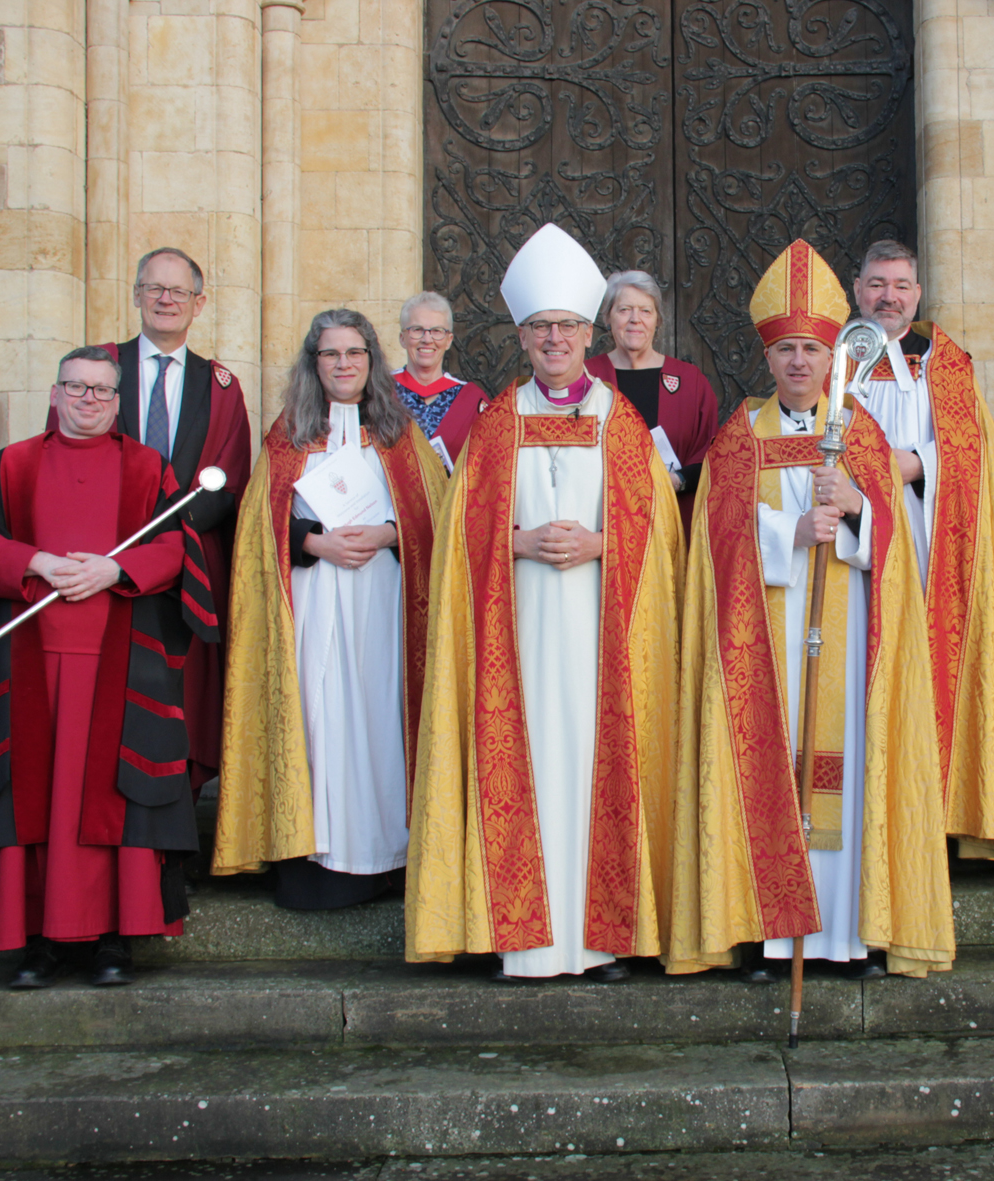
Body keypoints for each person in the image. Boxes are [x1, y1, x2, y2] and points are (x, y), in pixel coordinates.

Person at [666, 238, 952, 982]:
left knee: (843, 773)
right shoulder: (739, 438)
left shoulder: (861, 434)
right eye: (787, 349)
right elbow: (717, 542)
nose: (799, 362)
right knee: (767, 769)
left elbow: (894, 546)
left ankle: (848, 934)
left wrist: (859, 511)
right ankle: (768, 935)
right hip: (763, 638)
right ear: (768, 359)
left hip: (846, 631)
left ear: (833, 359)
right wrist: (789, 532)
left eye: (810, 350)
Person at [405, 223, 683, 982]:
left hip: (603, 635)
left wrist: (604, 545)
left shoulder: (622, 424)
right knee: (523, 762)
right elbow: (460, 538)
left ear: (586, 334)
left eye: (565, 326)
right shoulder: (496, 424)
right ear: (522, 336)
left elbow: (662, 539)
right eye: (539, 328)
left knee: (597, 767)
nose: (553, 339)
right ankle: (520, 937)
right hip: (518, 633)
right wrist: (517, 543)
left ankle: (606, 939)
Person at [0, 346, 216, 988]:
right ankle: (36, 944)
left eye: (101, 390)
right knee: (34, 795)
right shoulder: (9, 466)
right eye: (76, 387)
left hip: (120, 668)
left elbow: (178, 544)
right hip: (30, 664)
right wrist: (34, 563)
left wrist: (115, 568)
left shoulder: (147, 468)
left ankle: (115, 943)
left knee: (111, 800)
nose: (88, 399)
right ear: (55, 393)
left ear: (119, 402)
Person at [214, 309, 442, 910]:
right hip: (311, 599)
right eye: (331, 354)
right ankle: (315, 864)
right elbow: (258, 527)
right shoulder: (289, 435)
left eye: (354, 354)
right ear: (314, 364)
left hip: (382, 604)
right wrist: (314, 542)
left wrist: (390, 535)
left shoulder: (400, 437)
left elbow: (434, 518)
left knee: (379, 715)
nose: (343, 365)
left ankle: (385, 860)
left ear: (372, 362)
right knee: (316, 716)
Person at [46, 247, 252, 796]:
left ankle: (170, 835)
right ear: (137, 295)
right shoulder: (95, 373)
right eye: (155, 289)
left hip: (187, 575)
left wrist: (164, 543)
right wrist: (117, 551)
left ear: (198, 304)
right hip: (101, 567)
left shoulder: (222, 388)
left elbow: (229, 480)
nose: (166, 300)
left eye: (179, 291)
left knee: (175, 704)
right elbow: (61, 459)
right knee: (106, 707)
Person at [849, 241, 994, 860]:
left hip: (926, 541)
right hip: (853, 541)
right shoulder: (833, 358)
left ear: (917, 295)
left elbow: (975, 454)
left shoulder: (947, 364)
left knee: (925, 669)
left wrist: (915, 462)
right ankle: (861, 817)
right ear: (857, 288)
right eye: (877, 284)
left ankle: (933, 820)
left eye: (900, 285)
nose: (888, 297)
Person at [584, 270, 720, 527]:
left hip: (671, 520)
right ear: (608, 317)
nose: (635, 319)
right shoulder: (588, 377)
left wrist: (676, 480)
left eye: (646, 311)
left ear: (657, 320)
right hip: (602, 525)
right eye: (624, 310)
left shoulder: (690, 381)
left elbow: (712, 454)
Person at [393, 290, 490, 465]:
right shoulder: (381, 392)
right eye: (417, 330)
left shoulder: (471, 400)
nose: (427, 339)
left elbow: (487, 464)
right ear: (402, 338)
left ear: (449, 340)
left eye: (437, 331)